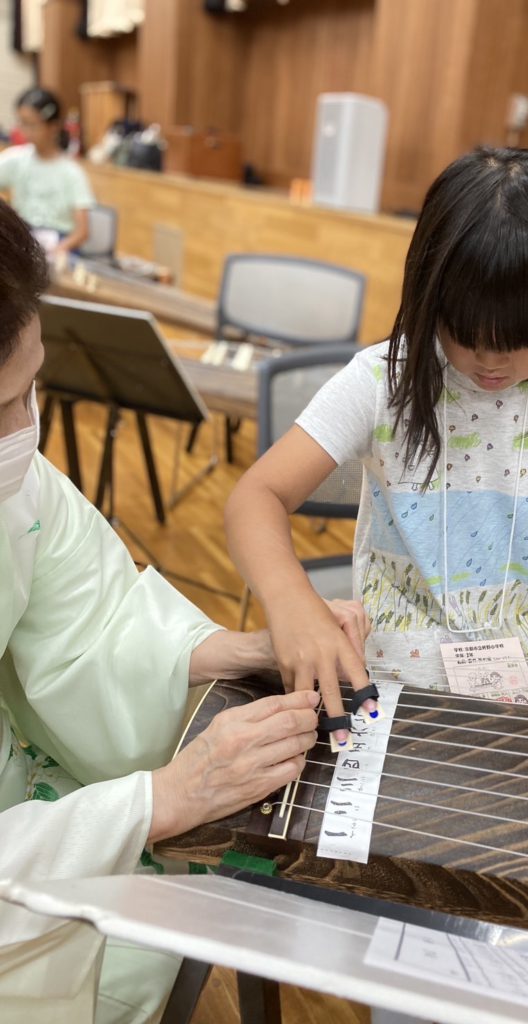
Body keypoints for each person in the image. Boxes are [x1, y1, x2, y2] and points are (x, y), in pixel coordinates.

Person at [0, 201, 369, 1022]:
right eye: (4, 407)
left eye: (33, 390)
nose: (27, 429)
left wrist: (239, 649)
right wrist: (159, 800)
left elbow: (93, 617)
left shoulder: (13, 480)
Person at [225, 146, 528, 744]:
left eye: (526, 336)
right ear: (429, 288)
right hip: (400, 652)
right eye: (466, 331)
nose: (490, 360)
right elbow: (255, 497)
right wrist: (294, 604)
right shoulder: (381, 382)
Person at [0, 87, 94, 254]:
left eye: (31, 124)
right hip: (25, 239)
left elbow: (82, 232)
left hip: (59, 244)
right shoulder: (16, 159)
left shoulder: (72, 172)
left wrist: (59, 249)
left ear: (53, 126)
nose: (24, 130)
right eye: (21, 122)